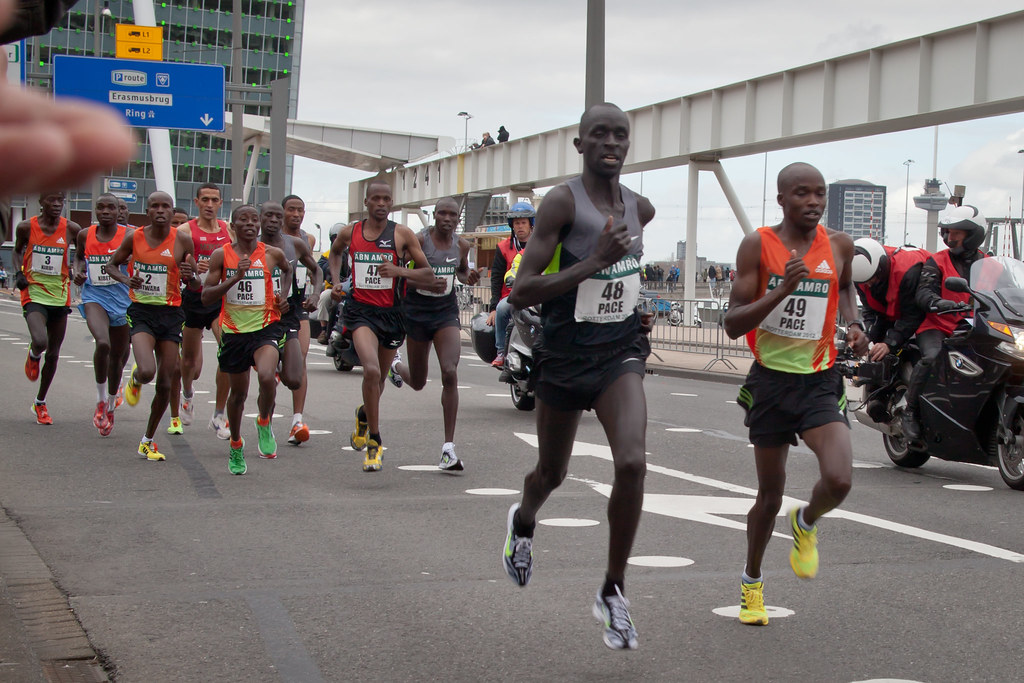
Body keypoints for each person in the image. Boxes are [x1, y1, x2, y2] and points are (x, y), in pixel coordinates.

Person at [501, 103, 655, 650]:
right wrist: (592, 261)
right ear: (580, 144)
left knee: (633, 463)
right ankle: (523, 521)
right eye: (600, 135)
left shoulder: (642, 208)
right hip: (564, 358)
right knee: (551, 473)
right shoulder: (562, 203)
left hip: (618, 354)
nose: (611, 143)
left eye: (620, 135)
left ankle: (613, 592)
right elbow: (522, 290)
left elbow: (626, 274)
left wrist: (639, 302)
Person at [723, 162, 868, 627]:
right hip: (770, 382)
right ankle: (751, 583)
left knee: (840, 480)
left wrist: (854, 322)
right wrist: (782, 291)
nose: (813, 202)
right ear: (782, 200)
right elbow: (731, 323)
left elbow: (844, 286)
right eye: (802, 194)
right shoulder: (758, 246)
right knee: (769, 495)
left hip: (820, 380)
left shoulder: (839, 245)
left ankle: (805, 522)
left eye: (819, 194)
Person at [328, 179, 440, 472]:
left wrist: (398, 270)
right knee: (372, 370)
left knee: (377, 384)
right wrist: (337, 281)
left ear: (392, 203)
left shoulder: (402, 235)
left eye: (386, 199)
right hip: (360, 312)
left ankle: (364, 415)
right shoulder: (350, 232)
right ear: (366, 203)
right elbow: (335, 252)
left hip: (392, 315)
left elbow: (428, 274)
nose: (380, 204)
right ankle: (374, 442)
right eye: (375, 199)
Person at [387, 196, 481, 471]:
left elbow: (461, 272)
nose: (448, 220)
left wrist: (469, 277)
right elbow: (401, 272)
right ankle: (396, 366)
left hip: (445, 313)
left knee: (449, 371)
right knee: (417, 381)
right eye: (443, 214)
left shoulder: (461, 244)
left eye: (453, 215)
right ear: (434, 215)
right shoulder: (418, 240)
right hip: (416, 312)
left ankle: (448, 448)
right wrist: (423, 279)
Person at [105, 191, 197, 462]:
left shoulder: (182, 239)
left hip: (170, 314)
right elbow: (112, 265)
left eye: (165, 206)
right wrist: (125, 280)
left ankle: (147, 440)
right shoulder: (135, 237)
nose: (160, 210)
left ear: (172, 212)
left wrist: (191, 275)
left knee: (166, 383)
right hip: (142, 312)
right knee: (147, 371)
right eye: (154, 206)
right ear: (147, 211)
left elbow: (194, 280)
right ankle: (134, 378)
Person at [202, 205, 293, 474]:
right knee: (238, 395)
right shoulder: (221, 255)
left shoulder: (272, 253)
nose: (251, 224)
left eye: (255, 219)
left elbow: (288, 271)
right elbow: (206, 295)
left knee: (267, 376)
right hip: (234, 333)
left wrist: (283, 296)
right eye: (244, 219)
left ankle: (264, 422)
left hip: (266, 327)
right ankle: (236, 443)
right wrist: (235, 278)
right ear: (234, 225)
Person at [904, 205, 988, 441]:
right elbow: (923, 292)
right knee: (933, 357)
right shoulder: (936, 261)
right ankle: (909, 412)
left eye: (956, 233)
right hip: (937, 327)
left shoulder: (991, 264)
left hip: (974, 328)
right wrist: (937, 302)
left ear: (974, 234)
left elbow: (1007, 291)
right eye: (948, 232)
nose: (950, 238)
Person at [12, 191, 82, 424]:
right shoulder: (25, 227)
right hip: (34, 292)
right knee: (40, 341)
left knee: (53, 355)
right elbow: (17, 251)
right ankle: (33, 354)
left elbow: (79, 255)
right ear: (41, 203)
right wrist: (18, 272)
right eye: (51, 200)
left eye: (60, 201)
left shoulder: (71, 228)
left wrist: (76, 268)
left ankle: (40, 402)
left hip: (60, 296)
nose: (56, 204)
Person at [259, 201, 323, 446]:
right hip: (258, 321)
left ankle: (297, 419)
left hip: (292, 315)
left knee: (295, 374)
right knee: (263, 377)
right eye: (271, 215)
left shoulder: (298, 243)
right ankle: (265, 422)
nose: (276, 219)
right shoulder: (250, 244)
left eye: (300, 210)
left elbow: (316, 271)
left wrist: (316, 295)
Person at [72, 193, 133, 436]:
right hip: (94, 297)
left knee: (118, 358)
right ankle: (100, 400)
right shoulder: (85, 234)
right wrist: (77, 271)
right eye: (101, 207)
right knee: (103, 343)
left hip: (123, 300)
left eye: (111, 207)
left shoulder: (130, 235)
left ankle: (110, 403)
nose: (106, 211)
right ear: (95, 210)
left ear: (120, 211)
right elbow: (78, 257)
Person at [178, 183, 234, 439]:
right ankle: (187, 395)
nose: (210, 204)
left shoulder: (227, 230)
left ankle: (219, 413)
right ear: (197, 202)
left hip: (218, 300)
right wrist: (189, 268)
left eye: (214, 200)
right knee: (189, 361)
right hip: (193, 299)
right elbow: (174, 264)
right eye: (205, 200)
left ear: (220, 203)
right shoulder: (184, 231)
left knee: (228, 350)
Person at [851, 238, 930, 362]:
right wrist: (866, 337)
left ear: (883, 267)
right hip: (894, 314)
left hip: (926, 313)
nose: (870, 285)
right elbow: (871, 313)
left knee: (924, 357)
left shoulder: (908, 273)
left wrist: (889, 344)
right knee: (874, 356)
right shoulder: (861, 277)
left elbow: (913, 315)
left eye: (873, 279)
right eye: (865, 282)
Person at [487, 202, 534, 368]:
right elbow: (497, 278)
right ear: (512, 226)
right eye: (516, 223)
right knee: (501, 309)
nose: (520, 227)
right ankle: (501, 351)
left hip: (538, 294)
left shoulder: (542, 244)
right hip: (512, 295)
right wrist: (493, 307)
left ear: (531, 224)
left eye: (523, 223)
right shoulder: (503, 247)